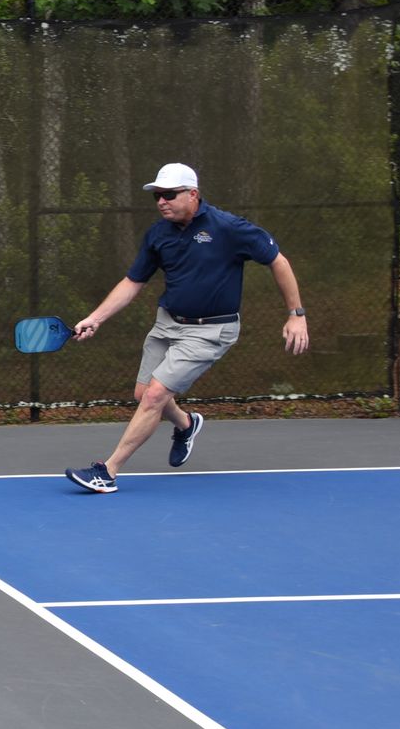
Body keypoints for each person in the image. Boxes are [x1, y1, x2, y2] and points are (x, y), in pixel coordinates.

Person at [64, 164, 308, 494]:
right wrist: (95, 318)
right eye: (157, 196)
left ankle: (107, 471)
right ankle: (187, 424)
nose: (161, 201)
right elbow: (132, 282)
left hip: (210, 330)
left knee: (154, 396)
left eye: (169, 194)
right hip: (168, 324)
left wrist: (296, 314)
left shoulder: (228, 227)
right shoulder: (157, 235)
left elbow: (277, 261)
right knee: (143, 394)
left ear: (192, 194)